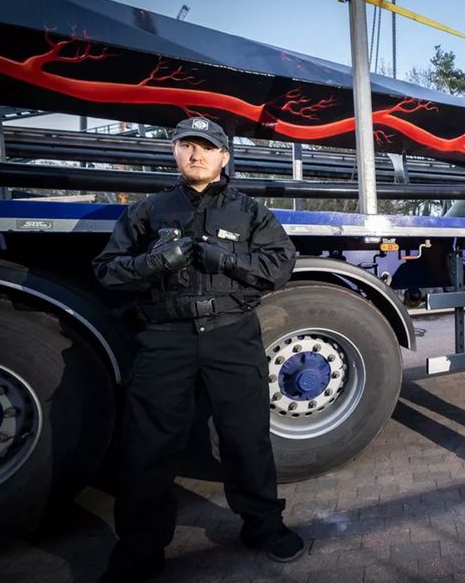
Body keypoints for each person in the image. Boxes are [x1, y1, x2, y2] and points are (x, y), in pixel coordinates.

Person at [92, 117, 302, 582]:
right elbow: (107, 270)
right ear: (174, 152)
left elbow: (279, 265)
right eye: (187, 145)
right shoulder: (147, 211)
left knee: (246, 437)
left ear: (224, 157)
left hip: (231, 334)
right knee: (148, 444)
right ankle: (141, 548)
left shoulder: (250, 212)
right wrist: (152, 262)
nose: (196, 154)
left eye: (207, 147)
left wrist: (226, 258)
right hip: (165, 337)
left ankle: (264, 526)